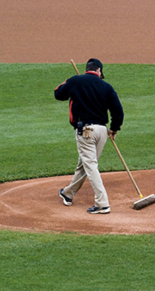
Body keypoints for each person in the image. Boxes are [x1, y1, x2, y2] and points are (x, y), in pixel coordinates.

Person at [54, 58, 124, 214]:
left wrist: (71, 83)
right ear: (99, 71)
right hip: (102, 131)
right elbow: (118, 111)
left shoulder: (76, 81)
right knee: (85, 163)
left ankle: (102, 203)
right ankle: (68, 193)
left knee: (90, 165)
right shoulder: (106, 87)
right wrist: (114, 129)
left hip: (86, 131)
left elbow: (58, 94)